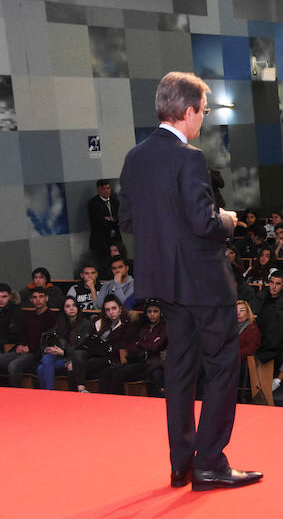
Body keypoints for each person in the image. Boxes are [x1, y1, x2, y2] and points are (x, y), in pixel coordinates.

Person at [117, 71, 261, 491]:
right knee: (220, 366)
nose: (204, 118)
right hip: (203, 281)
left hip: (162, 281)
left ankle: (181, 462)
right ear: (187, 111)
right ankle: (210, 463)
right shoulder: (190, 157)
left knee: (179, 369)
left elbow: (127, 220)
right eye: (203, 110)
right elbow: (203, 222)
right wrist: (229, 220)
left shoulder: (135, 157)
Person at [98, 300, 168, 395]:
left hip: (153, 363)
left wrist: (141, 344)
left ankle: (118, 402)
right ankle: (103, 400)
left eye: (155, 311)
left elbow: (155, 347)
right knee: (106, 373)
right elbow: (131, 345)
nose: (152, 314)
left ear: (160, 313)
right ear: (146, 313)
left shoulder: (164, 327)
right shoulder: (142, 326)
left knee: (118, 375)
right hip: (136, 360)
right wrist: (146, 344)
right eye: (149, 311)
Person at [69, 295, 133, 393]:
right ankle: (81, 389)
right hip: (94, 353)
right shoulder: (99, 323)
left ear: (120, 309)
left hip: (110, 357)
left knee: (75, 367)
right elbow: (88, 342)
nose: (111, 312)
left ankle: (79, 392)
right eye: (107, 310)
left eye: (114, 308)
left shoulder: (126, 325)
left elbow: (122, 346)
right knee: (77, 354)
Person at [0, 288, 58, 387]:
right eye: (34, 297)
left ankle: (17, 394)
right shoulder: (29, 315)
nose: (38, 300)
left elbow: (48, 340)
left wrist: (29, 348)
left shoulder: (52, 316)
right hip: (24, 349)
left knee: (14, 366)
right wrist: (21, 345)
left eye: (41, 297)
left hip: (37, 352)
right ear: (31, 300)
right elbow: (24, 334)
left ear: (46, 298)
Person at [35, 296, 91, 389]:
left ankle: (48, 395)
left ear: (78, 308)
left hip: (75, 359)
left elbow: (82, 347)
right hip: (61, 357)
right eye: (68, 306)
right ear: (64, 309)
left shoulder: (85, 324)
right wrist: (48, 349)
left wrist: (64, 352)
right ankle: (49, 393)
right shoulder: (60, 323)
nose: (71, 308)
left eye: (74, 306)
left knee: (41, 368)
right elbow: (47, 337)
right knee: (47, 358)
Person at [88, 178, 121, 261]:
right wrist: (113, 220)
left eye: (108, 188)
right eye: (104, 188)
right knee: (103, 262)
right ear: (98, 189)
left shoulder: (115, 201)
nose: (106, 191)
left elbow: (120, 218)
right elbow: (99, 221)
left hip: (115, 238)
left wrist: (110, 219)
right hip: (100, 241)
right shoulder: (93, 203)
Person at [236, 300, 261, 403]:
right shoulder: (228, 328)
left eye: (242, 310)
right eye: (236, 311)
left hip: (243, 361)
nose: (238, 313)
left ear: (248, 312)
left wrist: (232, 355)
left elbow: (251, 349)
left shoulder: (252, 328)